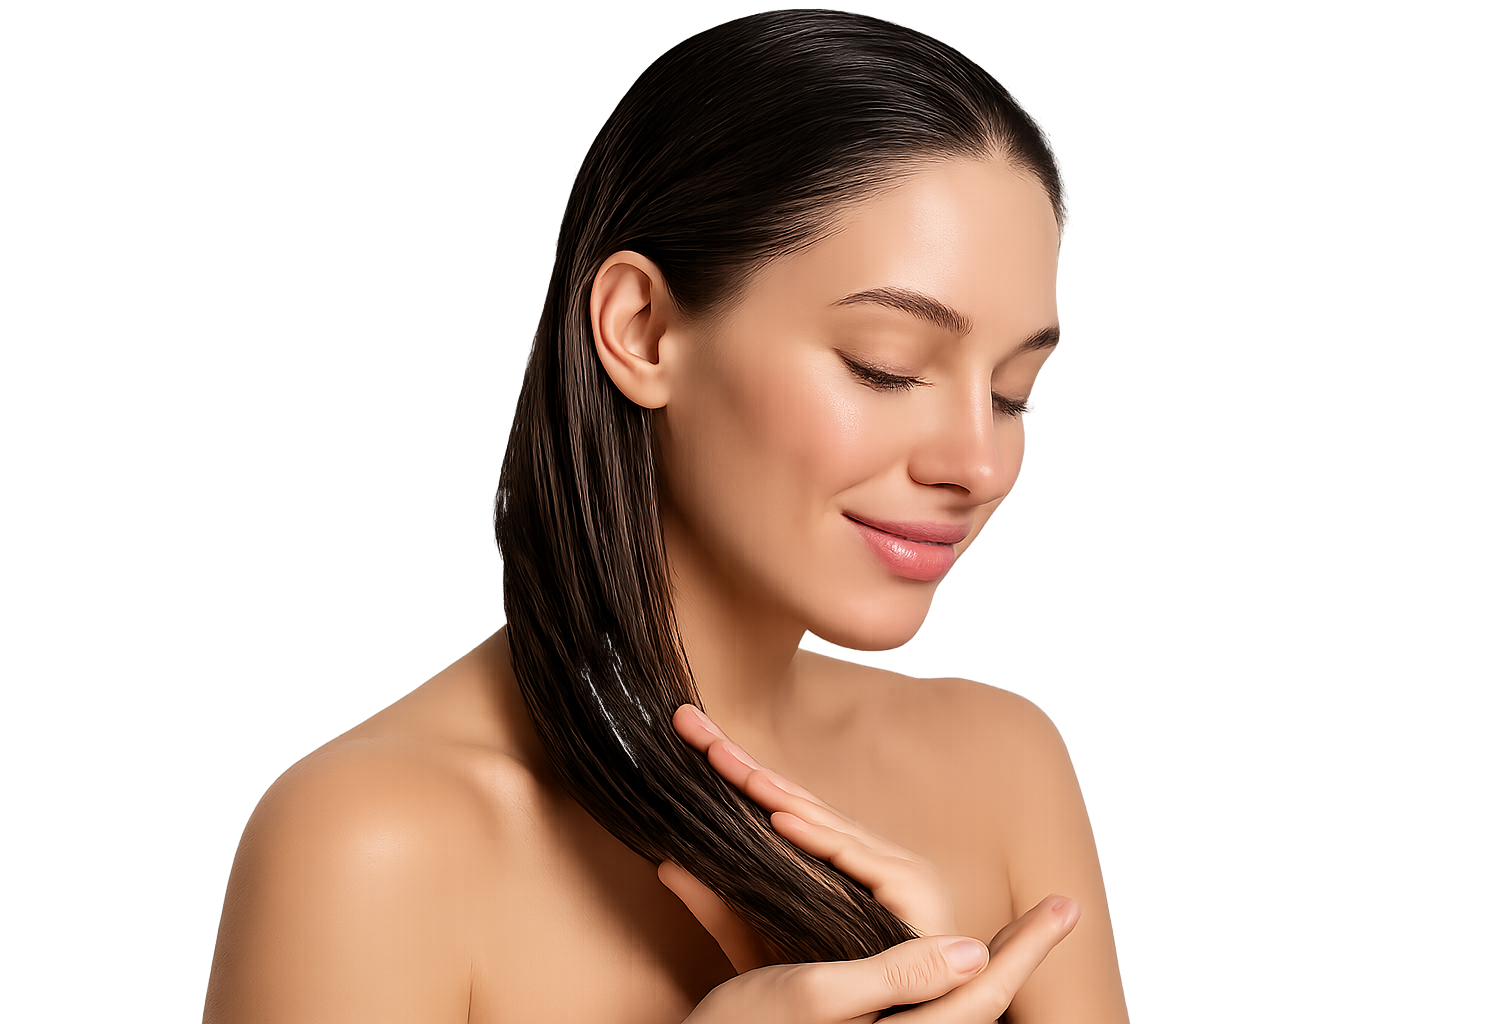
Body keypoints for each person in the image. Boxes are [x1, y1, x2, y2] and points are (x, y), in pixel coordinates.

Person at [203, 10, 1128, 1022]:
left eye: (1014, 391)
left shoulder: (1002, 771)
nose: (982, 464)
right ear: (640, 330)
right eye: (887, 366)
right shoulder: (376, 845)